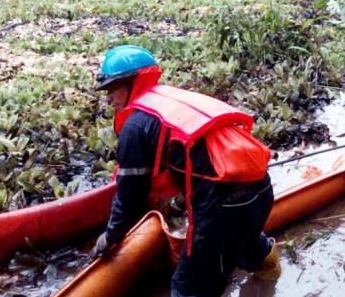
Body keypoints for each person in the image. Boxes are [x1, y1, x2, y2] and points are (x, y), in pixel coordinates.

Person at [90, 45, 281, 297]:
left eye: (111, 90)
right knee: (247, 242)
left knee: (187, 286)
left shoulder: (135, 126)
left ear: (129, 85)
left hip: (222, 208)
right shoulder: (171, 99)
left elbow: (130, 196)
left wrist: (111, 236)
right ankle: (270, 277)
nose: (108, 99)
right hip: (262, 190)